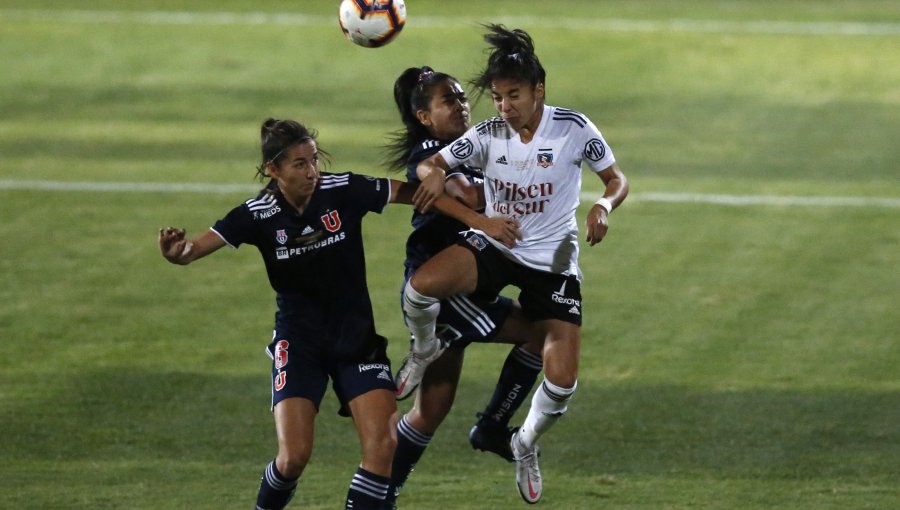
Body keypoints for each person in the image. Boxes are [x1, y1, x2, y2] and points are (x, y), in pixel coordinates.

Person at [158, 118, 517, 510]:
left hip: (356, 342)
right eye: (299, 164)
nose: (312, 171)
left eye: (314, 160)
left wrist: (480, 220)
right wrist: (179, 252)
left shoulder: (343, 189)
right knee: (293, 457)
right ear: (273, 170)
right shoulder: (256, 215)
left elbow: (416, 195)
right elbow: (195, 250)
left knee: (383, 447)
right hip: (300, 346)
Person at [394, 25, 629, 504]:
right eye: (497, 97)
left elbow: (615, 178)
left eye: (513, 95)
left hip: (553, 261)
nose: (503, 106)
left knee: (562, 381)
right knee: (421, 287)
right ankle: (424, 351)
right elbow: (429, 165)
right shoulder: (487, 134)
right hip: (500, 248)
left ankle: (523, 442)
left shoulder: (574, 128)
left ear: (538, 90)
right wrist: (435, 177)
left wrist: (603, 206)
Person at [383, 66, 546, 505]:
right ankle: (492, 426)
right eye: (447, 101)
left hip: (467, 280)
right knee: (540, 332)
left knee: (429, 412)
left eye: (460, 96)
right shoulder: (435, 148)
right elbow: (470, 197)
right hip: (450, 291)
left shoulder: (467, 146)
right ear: (424, 116)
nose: (460, 105)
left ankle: (379, 492)